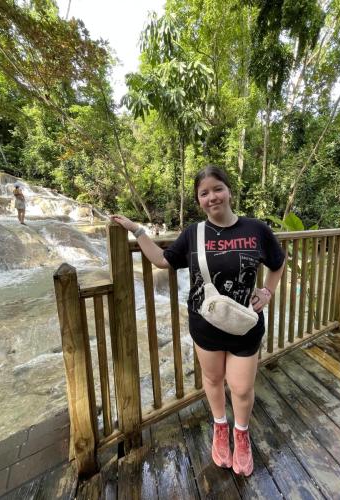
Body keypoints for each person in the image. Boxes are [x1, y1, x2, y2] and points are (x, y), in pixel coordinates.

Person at [111, 165, 285, 477]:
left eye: (217, 188)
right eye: (203, 193)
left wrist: (268, 292)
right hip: (205, 324)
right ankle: (221, 428)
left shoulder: (256, 229)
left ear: (229, 190)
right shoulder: (194, 233)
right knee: (213, 379)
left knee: (242, 388)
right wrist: (137, 230)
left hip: (246, 324)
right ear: (198, 200)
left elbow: (277, 261)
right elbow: (163, 261)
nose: (212, 197)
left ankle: (241, 435)